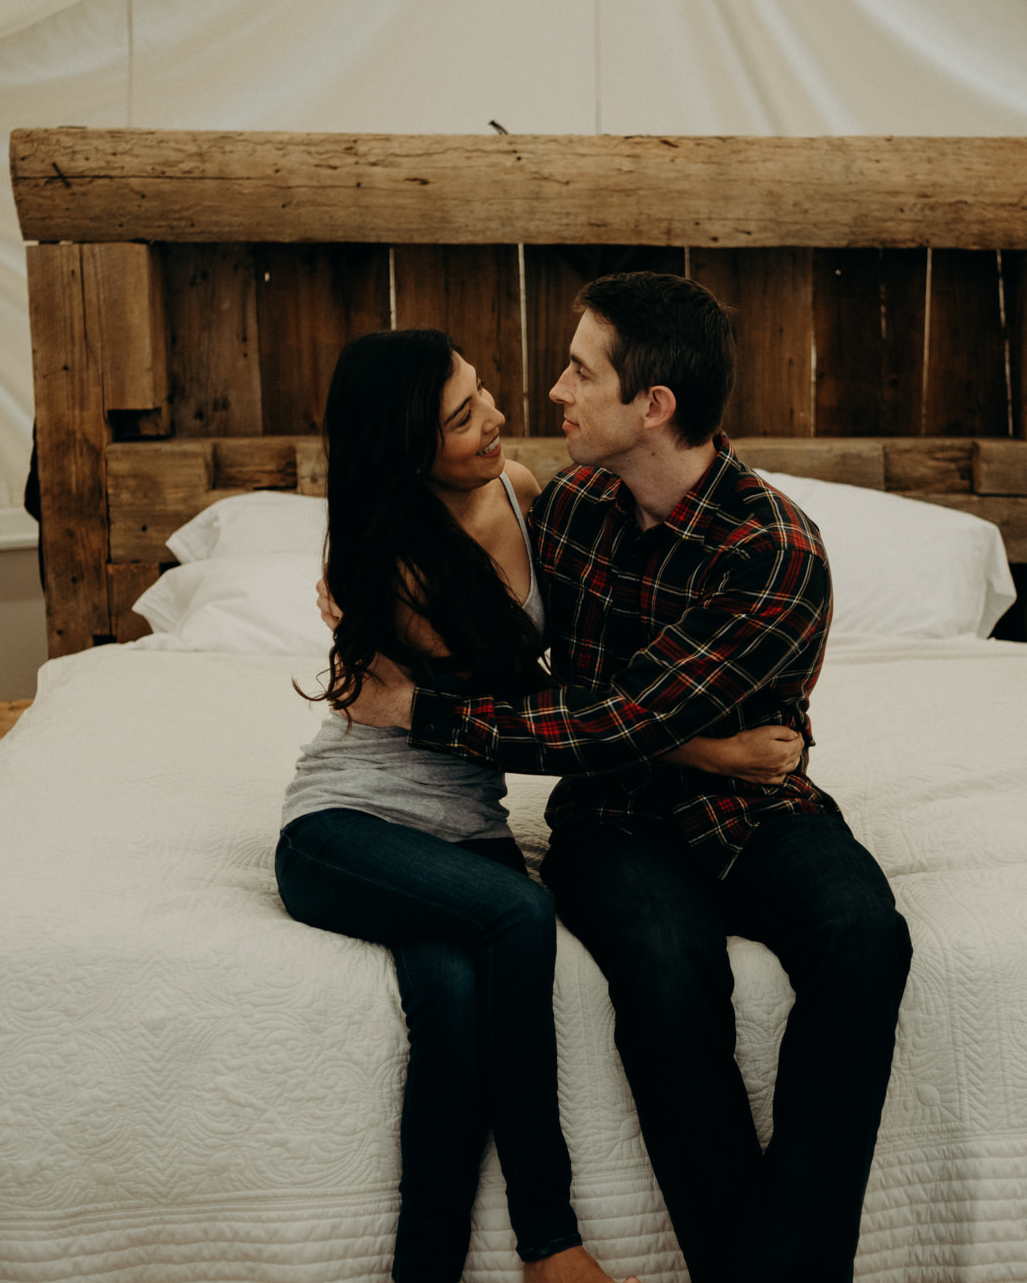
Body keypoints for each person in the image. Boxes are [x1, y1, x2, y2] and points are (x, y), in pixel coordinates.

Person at [344, 276, 914, 1283]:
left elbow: (616, 713)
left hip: (758, 806)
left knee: (868, 932)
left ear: (653, 405)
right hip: (615, 817)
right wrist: (356, 587)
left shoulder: (772, 548)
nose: (553, 388)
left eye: (581, 369)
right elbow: (553, 677)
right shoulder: (566, 508)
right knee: (661, 961)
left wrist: (429, 716)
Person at [275, 327, 800, 1283]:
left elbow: (585, 686)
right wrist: (712, 746)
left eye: (483, 394)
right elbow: (531, 710)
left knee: (451, 1010)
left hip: (469, 833)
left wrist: (695, 719)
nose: (497, 418)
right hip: (348, 829)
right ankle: (549, 1243)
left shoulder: (522, 492)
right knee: (522, 915)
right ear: (404, 444)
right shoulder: (387, 562)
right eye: (462, 416)